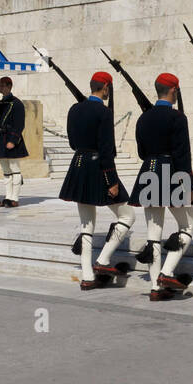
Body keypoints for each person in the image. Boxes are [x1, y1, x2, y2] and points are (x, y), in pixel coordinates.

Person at [58, 71, 134, 289]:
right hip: (98, 167)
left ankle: (87, 276)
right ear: (106, 88)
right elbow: (106, 148)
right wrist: (111, 180)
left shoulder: (74, 109)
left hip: (78, 164)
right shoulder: (103, 112)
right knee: (127, 215)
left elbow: (73, 143)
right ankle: (103, 259)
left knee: (86, 224)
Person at [128, 73, 193, 302]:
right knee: (187, 225)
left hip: (148, 170)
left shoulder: (143, 118)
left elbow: (140, 153)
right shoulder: (178, 118)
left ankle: (156, 289)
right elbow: (182, 153)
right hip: (170, 170)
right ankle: (166, 273)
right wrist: (185, 181)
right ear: (173, 91)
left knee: (153, 235)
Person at [0, 76, 28, 207]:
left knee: (15, 169)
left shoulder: (17, 103)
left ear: (10, 86)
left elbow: (19, 124)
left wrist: (13, 140)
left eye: (3, 86)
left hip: (11, 139)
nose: (1, 88)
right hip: (0, 140)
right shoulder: (0, 103)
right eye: (0, 86)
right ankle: (7, 197)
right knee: (6, 171)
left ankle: (14, 198)